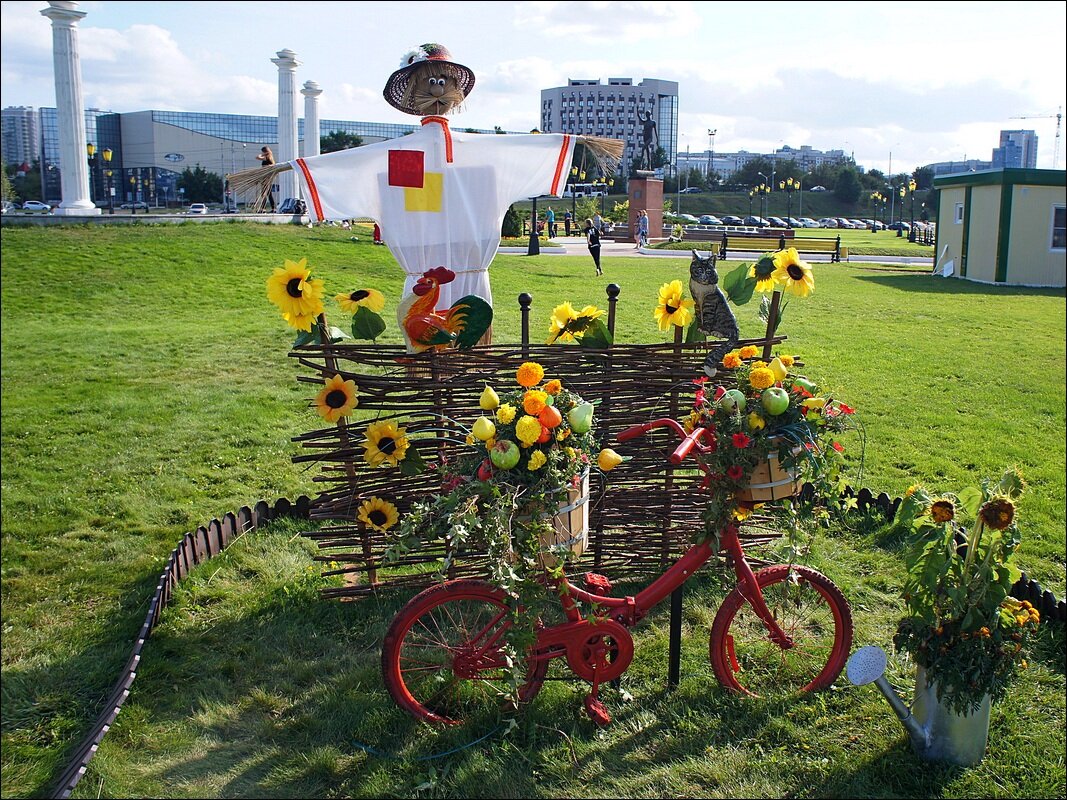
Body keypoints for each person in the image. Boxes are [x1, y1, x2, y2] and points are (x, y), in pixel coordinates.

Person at [256, 146, 276, 212]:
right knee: (268, 193)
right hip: (268, 177)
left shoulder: (266, 157)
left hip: (266, 178)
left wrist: (263, 154)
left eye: (262, 151)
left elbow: (257, 157)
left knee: (264, 193)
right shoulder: (271, 158)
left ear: (264, 151)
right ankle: (273, 208)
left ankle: (263, 208)